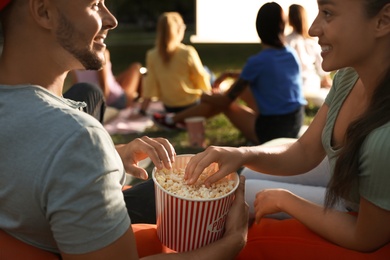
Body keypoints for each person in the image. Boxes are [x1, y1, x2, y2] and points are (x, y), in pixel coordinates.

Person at [0, 0, 248, 259]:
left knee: (89, 93)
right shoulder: (78, 137)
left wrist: (114, 153)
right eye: (95, 5)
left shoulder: (63, 134)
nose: (111, 19)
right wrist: (231, 244)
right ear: (43, 11)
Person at [185, 0, 390, 253]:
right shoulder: (349, 76)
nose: (312, 28)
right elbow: (304, 151)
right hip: (327, 163)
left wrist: (286, 200)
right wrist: (241, 154)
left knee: (228, 196)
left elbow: (365, 237)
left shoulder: (383, 139)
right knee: (241, 178)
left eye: (327, 13)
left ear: (383, 21)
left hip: (356, 213)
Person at [153, 3, 307, 145]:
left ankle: (173, 120)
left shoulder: (257, 61)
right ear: (283, 26)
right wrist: (230, 74)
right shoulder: (290, 54)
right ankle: (174, 120)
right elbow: (267, 72)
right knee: (242, 89)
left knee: (224, 103)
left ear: (259, 28)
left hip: (271, 133)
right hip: (295, 121)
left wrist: (203, 96)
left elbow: (225, 101)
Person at [139, 12, 212, 117]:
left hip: (169, 106)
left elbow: (150, 84)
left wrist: (142, 110)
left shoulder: (152, 55)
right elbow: (200, 77)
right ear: (179, 30)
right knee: (207, 71)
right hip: (191, 105)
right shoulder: (187, 52)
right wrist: (208, 95)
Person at [286, 4, 332, 107]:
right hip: (311, 87)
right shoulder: (312, 42)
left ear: (290, 19)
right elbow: (323, 71)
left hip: (293, 90)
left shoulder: (286, 42)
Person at [70, 48, 143, 110]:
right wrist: (101, 109)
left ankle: (138, 98)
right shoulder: (101, 52)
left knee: (119, 77)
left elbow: (75, 86)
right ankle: (139, 100)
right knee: (136, 67)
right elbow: (104, 86)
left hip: (91, 101)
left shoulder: (73, 56)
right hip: (115, 100)